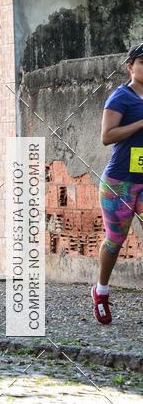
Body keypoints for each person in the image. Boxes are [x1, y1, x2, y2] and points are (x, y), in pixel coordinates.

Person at [93, 43, 143, 324]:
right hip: (119, 183)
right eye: (142, 62)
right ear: (130, 67)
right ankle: (101, 291)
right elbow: (107, 136)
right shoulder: (121, 97)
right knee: (115, 241)